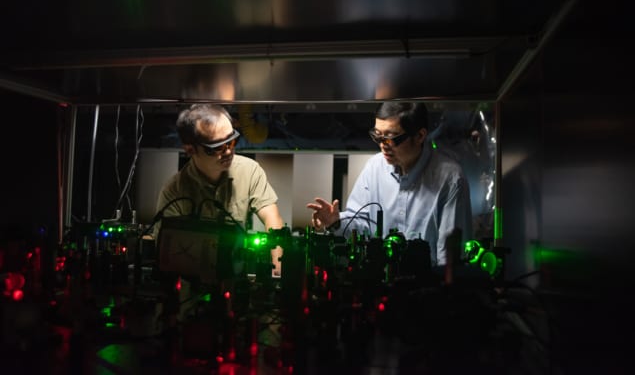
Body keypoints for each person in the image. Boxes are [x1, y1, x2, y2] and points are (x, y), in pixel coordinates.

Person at [306, 101, 472, 266]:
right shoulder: (374, 168)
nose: (383, 146)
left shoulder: (449, 179)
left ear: (420, 136)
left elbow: (450, 257)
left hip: (428, 286)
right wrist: (336, 222)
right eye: (378, 136)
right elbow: (361, 226)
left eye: (392, 138)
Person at [155, 104, 285, 279]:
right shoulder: (174, 191)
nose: (229, 151)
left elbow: (272, 219)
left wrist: (277, 270)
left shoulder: (249, 171)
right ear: (190, 150)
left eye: (232, 141)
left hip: (236, 283)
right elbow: (167, 254)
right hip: (192, 289)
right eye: (217, 147)